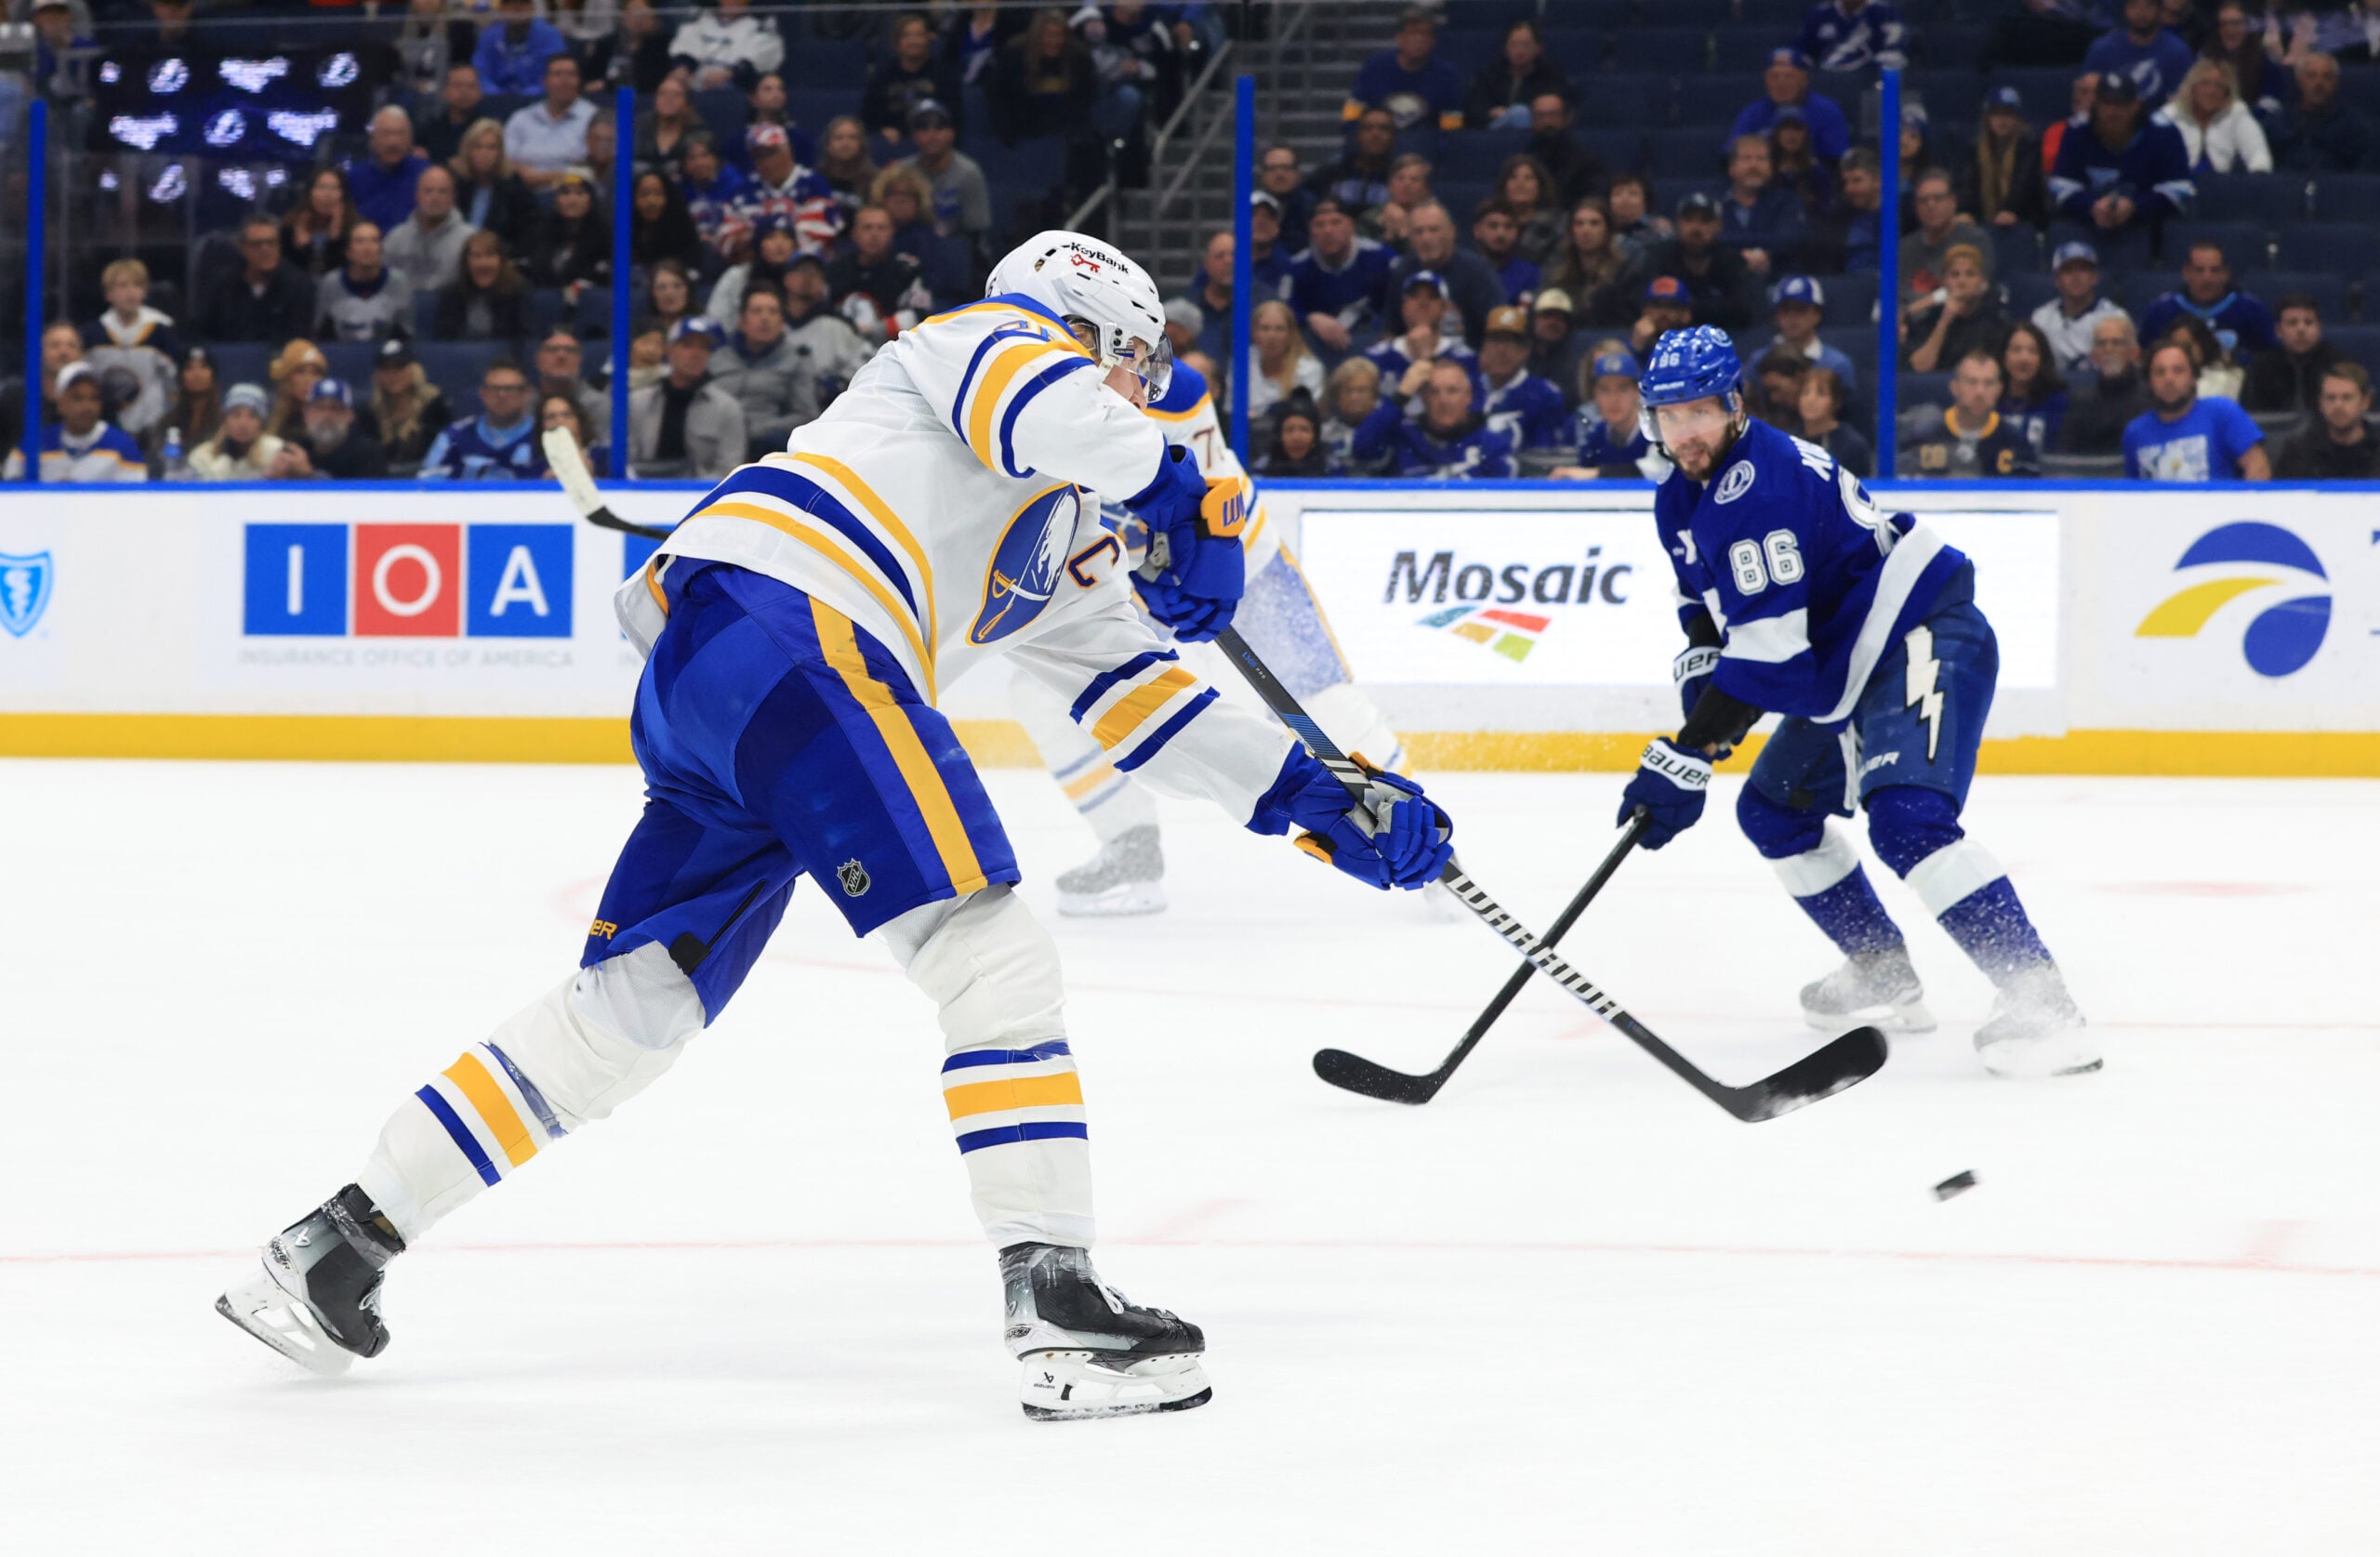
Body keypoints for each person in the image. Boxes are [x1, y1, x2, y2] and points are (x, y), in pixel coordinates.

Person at [216, 231, 1452, 1424]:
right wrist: (1186, 491)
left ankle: (340, 1241)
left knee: (633, 1006)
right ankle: (1060, 1313)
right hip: (805, 631)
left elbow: (1140, 698)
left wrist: (1313, 795)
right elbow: (1051, 405)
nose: (1147, 387)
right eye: (1138, 362)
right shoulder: (979, 343)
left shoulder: (1068, 525)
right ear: (1094, 336)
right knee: (992, 958)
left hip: (725, 679)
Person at [1622, 324, 2094, 1077]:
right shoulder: (1678, 498)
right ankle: (1880, 967)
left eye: (1700, 411)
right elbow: (1706, 613)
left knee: (1908, 818)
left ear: (1735, 405)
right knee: (1773, 810)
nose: (1685, 433)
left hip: (1918, 630)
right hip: (1846, 662)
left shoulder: (1759, 488)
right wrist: (1702, 714)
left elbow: (1770, 661)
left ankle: (2042, 1001)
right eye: (1669, 415)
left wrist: (1689, 752)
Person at [2049, 73, 2193, 240]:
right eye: (2106, 103)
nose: (2112, 111)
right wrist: (2091, 205)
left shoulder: (2163, 132)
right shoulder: (2077, 131)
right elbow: (2062, 184)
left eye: (2121, 104)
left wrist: (2136, 206)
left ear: (2136, 105)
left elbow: (2179, 186)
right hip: (2087, 226)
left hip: (2151, 227)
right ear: (2095, 105)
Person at [2123, 338, 2270, 479]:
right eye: (2160, 372)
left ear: (2193, 377)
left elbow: (2258, 467)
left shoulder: (2222, 412)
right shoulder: (2135, 433)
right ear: (2149, 382)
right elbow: (2134, 490)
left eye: (2178, 370)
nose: (2169, 379)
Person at [1620, 193, 1764, 336]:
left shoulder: (1732, 261)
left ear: (1719, 226)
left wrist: (1685, 309)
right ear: (1677, 224)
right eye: (1689, 220)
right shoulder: (1659, 256)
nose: (1696, 228)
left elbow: (1744, 309)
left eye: (1705, 221)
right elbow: (1638, 301)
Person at [1353, 357, 1517, 479]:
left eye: (1452, 391)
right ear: (1423, 397)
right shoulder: (1405, 437)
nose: (1443, 400)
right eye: (1434, 392)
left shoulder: (1491, 444)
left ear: (1468, 396)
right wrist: (1402, 395)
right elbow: (1362, 449)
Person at [628, 316, 746, 478]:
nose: (696, 354)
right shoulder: (637, 402)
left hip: (703, 490)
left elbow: (730, 469)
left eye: (704, 347)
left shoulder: (727, 408)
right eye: (687, 345)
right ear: (669, 350)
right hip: (639, 488)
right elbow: (625, 459)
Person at [81, 258, 179, 445]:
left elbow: (172, 382)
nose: (131, 292)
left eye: (137, 285)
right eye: (123, 286)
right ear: (108, 294)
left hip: (153, 426)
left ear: (145, 291)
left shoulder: (161, 331)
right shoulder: (93, 334)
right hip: (106, 425)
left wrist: (168, 419)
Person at [707, 286, 809, 457]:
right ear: (742, 321)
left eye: (773, 312)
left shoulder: (797, 360)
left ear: (782, 322)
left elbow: (806, 415)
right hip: (712, 434)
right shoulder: (716, 356)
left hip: (763, 442)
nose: (765, 318)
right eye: (757, 311)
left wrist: (759, 429)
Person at [3, 363, 149, 482]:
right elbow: (12, 492)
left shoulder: (122, 447)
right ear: (60, 403)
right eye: (77, 398)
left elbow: (135, 499)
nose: (87, 407)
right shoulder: (32, 447)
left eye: (94, 398)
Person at [1288, 196, 1395, 355]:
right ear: (1310, 230)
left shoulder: (1380, 257)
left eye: (1336, 222)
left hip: (1373, 340)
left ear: (1351, 225)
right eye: (1319, 224)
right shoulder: (1298, 266)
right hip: (1318, 345)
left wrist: (1389, 331)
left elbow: (1403, 300)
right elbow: (1284, 311)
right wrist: (1310, 318)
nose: (1328, 231)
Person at [2140, 243, 2277, 360]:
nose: (2207, 278)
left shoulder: (2252, 310)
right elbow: (2146, 356)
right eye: (2199, 270)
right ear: (2186, 272)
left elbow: (2269, 357)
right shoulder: (2160, 311)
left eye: (2215, 270)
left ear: (2226, 274)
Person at [1550, 347, 1670, 481]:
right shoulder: (1597, 434)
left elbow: (1655, 469)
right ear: (1595, 394)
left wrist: (1595, 474)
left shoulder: (1657, 431)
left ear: (1638, 392)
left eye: (1623, 388)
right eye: (1604, 390)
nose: (1613, 399)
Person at [420, 357, 550, 480]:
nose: (502, 395)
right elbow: (427, 481)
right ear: (482, 393)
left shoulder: (544, 434)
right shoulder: (455, 435)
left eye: (509, 389)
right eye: (494, 389)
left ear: (526, 393)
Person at [732, 123, 844, 262]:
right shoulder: (744, 189)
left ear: (788, 151)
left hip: (806, 264)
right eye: (758, 156)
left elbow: (822, 235)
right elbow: (734, 238)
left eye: (771, 153)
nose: (765, 162)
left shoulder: (813, 184)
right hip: (758, 266)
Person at [1345, 5, 1464, 134]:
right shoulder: (1374, 68)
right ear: (1399, 38)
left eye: (1425, 34)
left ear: (1433, 40)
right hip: (1380, 142)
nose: (1419, 39)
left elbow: (1452, 129)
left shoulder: (1447, 75)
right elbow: (1352, 117)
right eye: (1412, 33)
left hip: (1427, 143)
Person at [197, 218, 317, 346]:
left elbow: (300, 337)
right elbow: (208, 333)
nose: (265, 249)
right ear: (242, 247)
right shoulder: (223, 286)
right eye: (257, 244)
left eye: (271, 243)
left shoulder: (299, 285)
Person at [825, 205, 934, 340]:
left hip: (891, 345)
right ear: (854, 234)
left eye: (881, 228)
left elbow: (921, 314)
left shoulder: (908, 269)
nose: (874, 235)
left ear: (892, 233)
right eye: (867, 228)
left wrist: (874, 330)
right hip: (840, 343)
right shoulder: (836, 268)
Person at [1473, 305, 1568, 454]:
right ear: (1483, 347)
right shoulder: (1465, 389)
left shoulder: (1545, 395)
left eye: (1510, 341)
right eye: (1495, 340)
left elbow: (1543, 457)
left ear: (1525, 349)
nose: (1501, 350)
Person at [1749, 274, 1860, 402]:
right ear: (1777, 316)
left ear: (1817, 314)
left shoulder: (1837, 365)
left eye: (1800, 309)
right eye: (1785, 310)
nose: (1792, 317)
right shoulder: (1758, 360)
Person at [1729, 48, 1851, 164]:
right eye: (1774, 77)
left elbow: (1837, 159)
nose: (1781, 83)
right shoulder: (1753, 112)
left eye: (1789, 76)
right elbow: (1731, 156)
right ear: (1766, 81)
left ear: (1804, 80)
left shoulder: (1827, 110)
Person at [1904, 245, 2012, 374]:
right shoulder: (1930, 319)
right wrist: (1944, 320)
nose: (1962, 281)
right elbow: (1920, 367)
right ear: (1944, 281)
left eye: (1970, 274)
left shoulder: (1996, 319)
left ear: (1982, 281)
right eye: (1955, 275)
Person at [900, 100, 992, 250]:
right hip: (912, 247)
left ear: (951, 133)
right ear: (914, 136)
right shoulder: (902, 171)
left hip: (959, 248)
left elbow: (976, 230)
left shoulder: (969, 172)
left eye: (939, 126)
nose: (932, 135)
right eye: (923, 127)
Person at [2156, 57, 2272, 171]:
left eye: (2219, 86)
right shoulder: (2169, 115)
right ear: (2192, 87)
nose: (2211, 91)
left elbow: (2258, 153)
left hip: (2220, 181)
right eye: (2205, 84)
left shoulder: (2236, 113)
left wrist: (2259, 174)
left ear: (2227, 92)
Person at [2030, 241, 2129, 373]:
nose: (2076, 277)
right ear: (2057, 280)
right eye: (2068, 270)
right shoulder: (2041, 318)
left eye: (2083, 269)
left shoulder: (2115, 317)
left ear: (2095, 277)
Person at [2059, 315, 2152, 453]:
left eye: (2117, 342)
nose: (2108, 349)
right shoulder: (2080, 401)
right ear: (2093, 355)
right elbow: (2068, 454)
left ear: (2134, 352)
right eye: (2101, 343)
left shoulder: (2152, 397)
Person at [1899, 167, 1992, 306]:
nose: (1931, 205)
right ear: (1916, 207)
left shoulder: (1975, 241)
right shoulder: (1903, 248)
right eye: (1923, 200)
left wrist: (1914, 309)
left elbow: (1976, 288)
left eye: (1938, 198)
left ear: (1953, 202)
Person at [2241, 293, 2347, 415]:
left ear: (2319, 328)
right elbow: (2251, 414)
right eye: (2292, 323)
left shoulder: (2338, 363)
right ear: (2278, 331)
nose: (2301, 329)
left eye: (2308, 322)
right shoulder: (2261, 367)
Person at [1717, 136, 1806, 278]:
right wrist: (1739, 257)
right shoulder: (1715, 204)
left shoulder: (1787, 201)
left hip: (1776, 279)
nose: (1754, 165)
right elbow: (1707, 241)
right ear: (1731, 168)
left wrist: (1762, 254)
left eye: (1761, 159)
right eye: (1746, 158)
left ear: (1771, 168)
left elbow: (1789, 239)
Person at [1366, 270, 1476, 384]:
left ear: (1444, 308)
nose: (1423, 303)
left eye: (1432, 296)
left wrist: (1426, 357)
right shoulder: (1377, 356)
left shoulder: (1464, 358)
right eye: (1414, 296)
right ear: (1404, 307)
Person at [863, 10, 959, 140]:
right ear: (896, 42)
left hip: (933, 142)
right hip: (893, 145)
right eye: (906, 36)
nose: (913, 41)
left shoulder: (944, 74)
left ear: (929, 38)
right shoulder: (882, 76)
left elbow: (954, 118)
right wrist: (881, 130)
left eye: (919, 35)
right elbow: (867, 118)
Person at [2273, 362, 2380, 478]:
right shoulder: (2298, 453)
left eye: (2347, 397)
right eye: (2331, 398)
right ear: (2321, 403)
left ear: (2365, 402)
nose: (2338, 406)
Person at [504, 53, 598, 186]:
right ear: (544, 81)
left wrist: (537, 178)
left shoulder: (592, 117)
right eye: (558, 74)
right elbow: (505, 160)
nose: (565, 81)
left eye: (571, 74)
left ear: (579, 81)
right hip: (523, 191)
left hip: (574, 190)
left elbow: (591, 167)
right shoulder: (522, 118)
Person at [2084, 0, 2198, 109]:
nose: (2141, 12)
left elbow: (2181, 103)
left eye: (2148, 6)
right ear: (2125, 10)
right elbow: (2087, 94)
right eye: (2134, 5)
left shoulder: (2179, 53)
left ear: (2160, 10)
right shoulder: (2102, 49)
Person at [385, 165, 478, 297]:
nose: (435, 197)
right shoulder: (396, 238)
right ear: (417, 196)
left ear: (452, 197)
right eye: (428, 191)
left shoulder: (469, 240)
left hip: (448, 307)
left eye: (442, 191)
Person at [453, 119, 541, 257]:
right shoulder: (455, 183)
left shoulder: (515, 186)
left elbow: (527, 233)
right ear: (468, 150)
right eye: (478, 147)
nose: (484, 153)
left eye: (491, 147)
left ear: (500, 152)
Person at [1964, 87, 2049, 230]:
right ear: (1987, 118)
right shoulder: (1975, 149)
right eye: (1996, 114)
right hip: (1984, 222)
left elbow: (2024, 186)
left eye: (2008, 114)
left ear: (2017, 118)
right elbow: (1968, 186)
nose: (2002, 120)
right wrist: (1966, 212)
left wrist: (2011, 210)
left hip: (2025, 222)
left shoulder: (2030, 147)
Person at [2271, 52, 2372, 171]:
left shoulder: (2354, 125)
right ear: (2299, 80)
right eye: (2311, 76)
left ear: (2335, 82)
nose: (2319, 83)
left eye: (2327, 77)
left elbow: (2364, 172)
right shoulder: (2279, 122)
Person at [315, 223, 415, 344]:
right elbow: (320, 334)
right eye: (360, 241)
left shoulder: (398, 282)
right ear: (348, 251)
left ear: (381, 249)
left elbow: (407, 335)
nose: (367, 248)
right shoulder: (331, 283)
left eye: (374, 241)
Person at [1464, 18, 1569, 131]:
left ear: (1538, 48)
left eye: (1525, 45)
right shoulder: (1490, 75)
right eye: (1514, 45)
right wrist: (1491, 114)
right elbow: (1474, 110)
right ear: (1505, 49)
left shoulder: (1550, 76)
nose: (1520, 51)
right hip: (1494, 134)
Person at [526, 170, 613, 304]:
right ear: (556, 201)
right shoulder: (540, 232)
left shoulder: (605, 235)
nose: (572, 200)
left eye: (580, 193)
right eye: (565, 193)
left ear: (591, 200)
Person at [436, 230, 534, 344]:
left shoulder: (518, 291)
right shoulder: (452, 293)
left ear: (501, 260)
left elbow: (525, 337)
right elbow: (444, 340)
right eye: (476, 256)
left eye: (489, 255)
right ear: (466, 262)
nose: (483, 263)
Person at [368, 339, 454, 468]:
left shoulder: (436, 408)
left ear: (415, 371)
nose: (392, 375)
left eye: (399, 368)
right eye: (385, 369)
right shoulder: (369, 413)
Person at [346, 108, 431, 236]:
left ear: (410, 139)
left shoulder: (427, 175)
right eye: (386, 134)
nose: (393, 142)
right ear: (373, 139)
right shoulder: (354, 178)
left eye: (400, 134)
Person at [668, 0, 784, 92]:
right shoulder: (701, 20)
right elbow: (686, 50)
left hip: (736, 89)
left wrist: (728, 74)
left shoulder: (758, 26)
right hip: (695, 85)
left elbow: (757, 60)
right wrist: (683, 68)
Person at [285, 380, 391, 481]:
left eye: (335, 408)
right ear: (306, 413)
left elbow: (366, 493)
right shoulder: (297, 449)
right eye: (319, 407)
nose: (326, 415)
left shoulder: (369, 454)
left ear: (350, 416)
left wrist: (310, 475)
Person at [189, 384, 298, 482]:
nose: (243, 424)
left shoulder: (276, 451)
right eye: (236, 415)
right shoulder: (202, 455)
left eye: (252, 416)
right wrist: (228, 458)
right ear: (225, 420)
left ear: (261, 423)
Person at [1240, 298, 1325, 422]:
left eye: (1279, 329)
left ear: (1291, 333)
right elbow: (1232, 411)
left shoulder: (1310, 370)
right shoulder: (1241, 362)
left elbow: (1309, 419)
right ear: (1254, 332)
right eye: (1265, 328)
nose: (1272, 336)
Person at [1998, 322, 2070, 459]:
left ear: (2042, 359)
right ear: (2004, 356)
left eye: (2032, 351)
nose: (2024, 359)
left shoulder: (2057, 402)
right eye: (2016, 350)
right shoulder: (1990, 399)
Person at [1310, 107, 1397, 213]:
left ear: (1393, 136)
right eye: (1368, 128)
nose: (1375, 135)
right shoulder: (1331, 174)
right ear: (1358, 135)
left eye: (1384, 129)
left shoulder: (1400, 176)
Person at [473, 0, 566, 98]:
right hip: (494, 99)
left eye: (523, 3)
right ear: (501, 8)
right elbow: (480, 72)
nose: (517, 8)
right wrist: (494, 93)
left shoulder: (549, 35)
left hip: (539, 99)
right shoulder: (489, 35)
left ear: (532, 7)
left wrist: (531, 94)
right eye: (510, 3)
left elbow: (557, 71)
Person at [1796, 364, 1871, 476]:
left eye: (1821, 394)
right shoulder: (1789, 440)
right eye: (1805, 393)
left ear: (1836, 402)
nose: (1811, 400)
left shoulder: (1851, 446)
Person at [1494, 154, 1567, 269]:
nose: (1520, 183)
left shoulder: (1559, 223)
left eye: (1528, 178)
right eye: (1513, 177)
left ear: (1540, 186)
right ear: (1504, 186)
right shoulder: (1492, 224)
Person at [534, 327, 609, 437]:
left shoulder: (600, 405)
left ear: (579, 360)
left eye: (570, 350)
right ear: (538, 360)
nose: (561, 356)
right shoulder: (525, 404)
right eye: (553, 350)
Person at [1798, 0, 1909, 73]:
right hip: (1826, 80)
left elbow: (1894, 53)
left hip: (1869, 81)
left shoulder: (1886, 12)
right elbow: (1803, 51)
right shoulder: (1820, 13)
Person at [1319, 355, 1385, 473]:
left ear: (1375, 394)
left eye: (1362, 390)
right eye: (1348, 390)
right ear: (1337, 396)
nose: (1354, 397)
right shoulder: (1324, 434)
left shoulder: (1388, 429)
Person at [631, 171, 705, 275]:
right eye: (644, 194)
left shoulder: (684, 233)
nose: (651, 201)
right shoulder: (624, 233)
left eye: (657, 194)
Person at [1469, 202, 1539, 307]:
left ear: (1517, 232)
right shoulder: (1464, 272)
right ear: (1477, 231)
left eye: (1508, 227)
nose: (1501, 233)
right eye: (1493, 226)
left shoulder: (1531, 274)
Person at [1360, 154, 1435, 250]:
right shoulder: (1369, 219)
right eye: (1400, 178)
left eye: (1414, 179)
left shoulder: (1436, 220)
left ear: (1426, 188)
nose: (1406, 184)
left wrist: (1406, 228)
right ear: (1389, 185)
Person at [814, 116, 881, 220]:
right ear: (828, 145)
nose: (846, 144)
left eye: (852, 138)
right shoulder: (815, 179)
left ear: (862, 145)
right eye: (839, 138)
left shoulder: (876, 180)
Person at [1527, 289, 1590, 402]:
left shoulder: (1576, 368)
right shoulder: (1520, 360)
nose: (1553, 322)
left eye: (1561, 318)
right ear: (1533, 320)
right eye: (1547, 315)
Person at [419, 61, 483, 167]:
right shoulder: (429, 130)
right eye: (458, 86)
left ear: (480, 92)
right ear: (445, 92)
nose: (464, 92)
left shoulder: (487, 131)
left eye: (471, 86)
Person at [165, 346, 225, 460]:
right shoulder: (168, 423)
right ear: (181, 377)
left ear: (213, 375)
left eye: (203, 367)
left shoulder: (225, 422)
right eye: (189, 368)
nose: (197, 374)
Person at [264, 340, 330, 442]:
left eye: (315, 373)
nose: (308, 380)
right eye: (301, 372)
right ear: (287, 377)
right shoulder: (266, 413)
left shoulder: (330, 415)